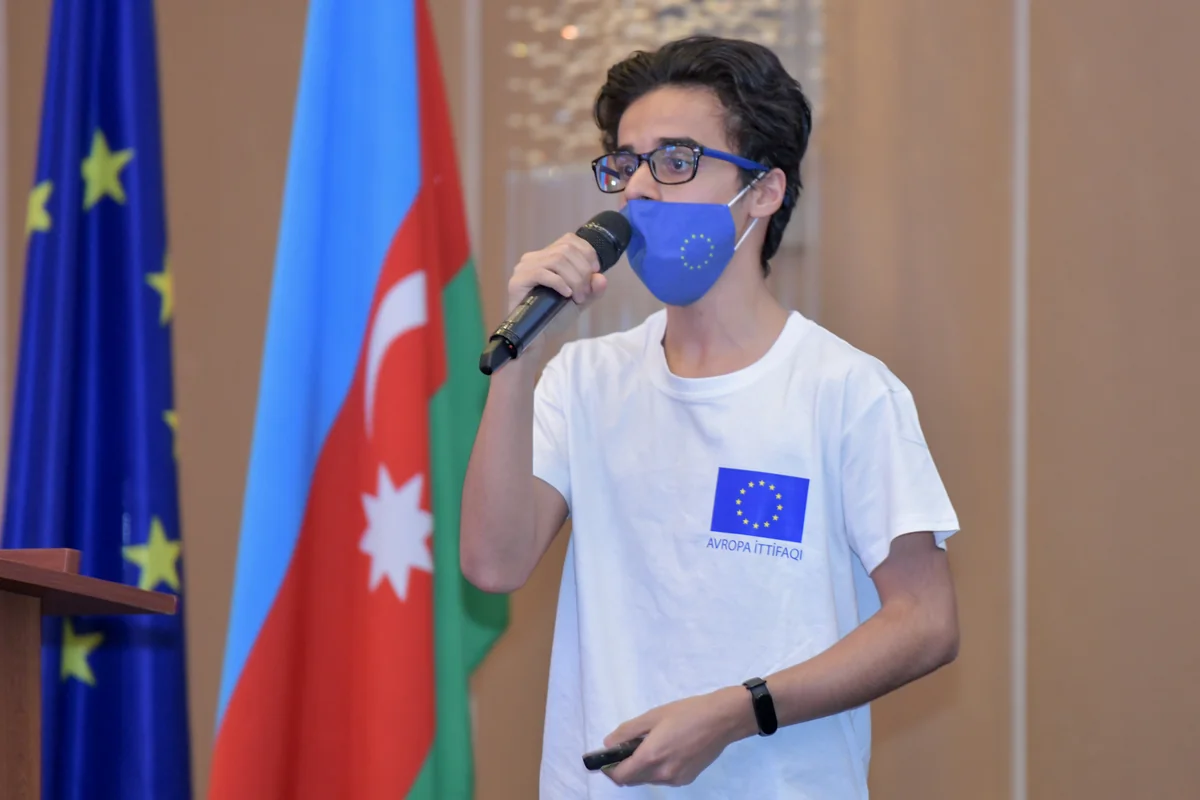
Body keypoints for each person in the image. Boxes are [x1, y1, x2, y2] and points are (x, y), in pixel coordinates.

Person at [460, 35, 961, 798]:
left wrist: (738, 711)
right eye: (627, 163)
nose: (639, 189)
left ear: (763, 191)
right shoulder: (583, 380)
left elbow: (925, 621)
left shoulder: (845, 391)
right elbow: (493, 565)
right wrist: (518, 357)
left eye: (675, 160)